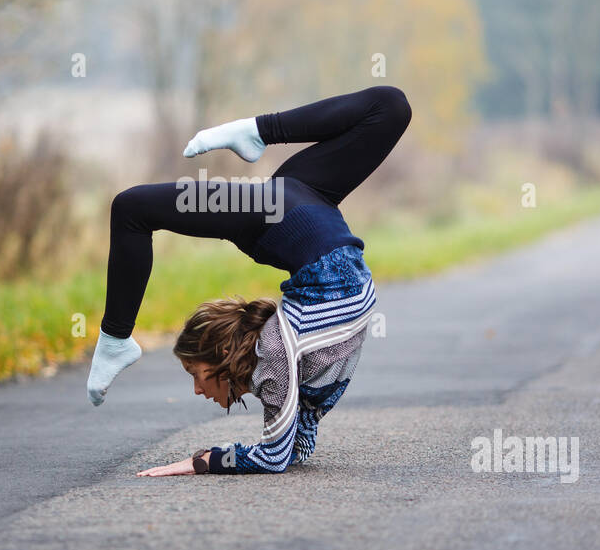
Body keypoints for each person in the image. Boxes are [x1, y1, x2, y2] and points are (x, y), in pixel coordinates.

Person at [85, 85, 412, 476]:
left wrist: (204, 461)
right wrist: (212, 459)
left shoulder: (277, 359)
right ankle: (256, 131)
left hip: (282, 215)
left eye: (195, 375)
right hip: (295, 210)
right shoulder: (281, 367)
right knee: (391, 106)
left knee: (131, 209)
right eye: (193, 376)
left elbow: (278, 453)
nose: (197, 390)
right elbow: (288, 452)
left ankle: (116, 338)